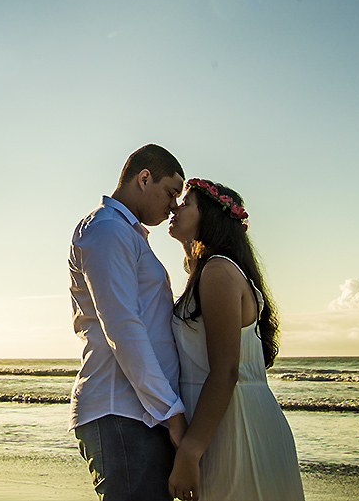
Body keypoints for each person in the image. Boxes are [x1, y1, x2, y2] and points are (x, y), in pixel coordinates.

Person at [167, 178, 304, 501]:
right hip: (219, 422)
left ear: (209, 217)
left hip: (234, 426)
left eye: (186, 204)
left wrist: (189, 451)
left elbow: (226, 370)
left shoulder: (219, 272)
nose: (176, 206)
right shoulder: (206, 272)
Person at [69, 144, 189, 501]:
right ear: (144, 177)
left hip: (139, 413)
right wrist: (171, 410)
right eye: (171, 192)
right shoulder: (108, 230)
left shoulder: (125, 232)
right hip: (121, 412)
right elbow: (123, 327)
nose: (173, 206)